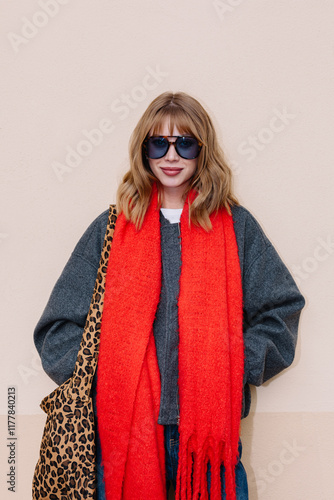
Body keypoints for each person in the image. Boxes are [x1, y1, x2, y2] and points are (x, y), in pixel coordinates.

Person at [34, 91, 305, 500]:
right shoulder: (110, 230)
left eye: (186, 143)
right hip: (124, 436)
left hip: (208, 445)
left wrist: (230, 365)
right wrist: (105, 375)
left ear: (203, 150)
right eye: (158, 143)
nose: (171, 155)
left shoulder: (236, 228)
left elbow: (281, 313)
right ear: (144, 151)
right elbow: (56, 329)